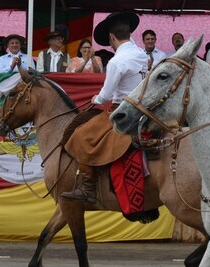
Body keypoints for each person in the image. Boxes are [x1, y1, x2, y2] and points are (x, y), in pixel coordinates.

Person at [61, 12, 147, 203]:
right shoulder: (142, 54)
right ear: (129, 34)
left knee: (80, 135)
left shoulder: (117, 61)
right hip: (143, 110)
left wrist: (96, 98)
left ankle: (88, 189)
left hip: (121, 112)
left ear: (112, 37)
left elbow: (106, 96)